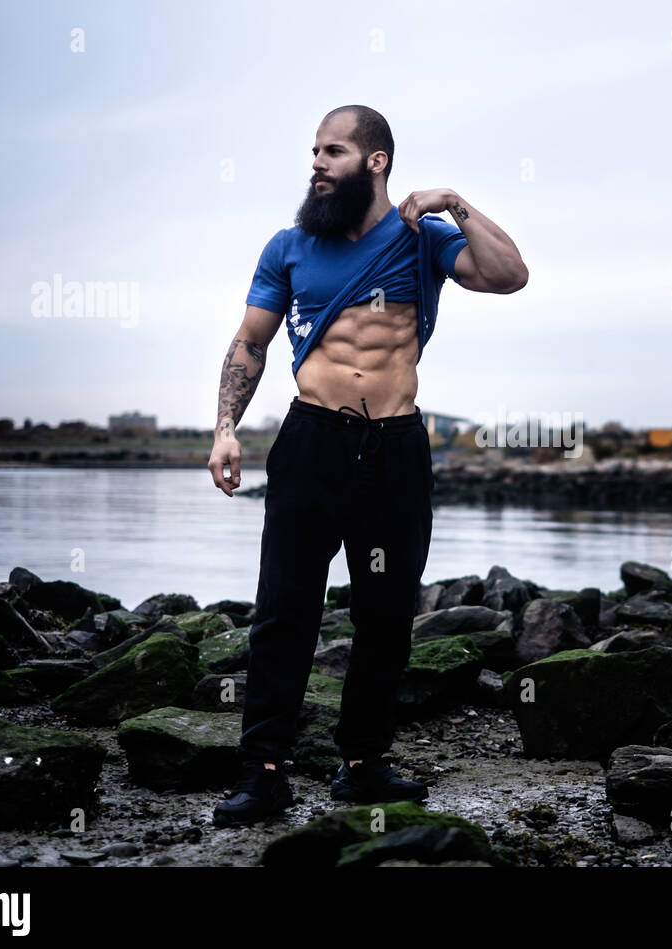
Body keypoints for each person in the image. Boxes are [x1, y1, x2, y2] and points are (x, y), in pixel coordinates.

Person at [208, 105, 528, 826]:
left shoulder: (422, 240)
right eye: (314, 153)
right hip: (311, 442)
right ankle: (262, 772)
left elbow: (510, 275)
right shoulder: (288, 247)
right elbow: (250, 346)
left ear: (376, 161)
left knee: (386, 614)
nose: (317, 164)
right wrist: (225, 429)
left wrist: (455, 202)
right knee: (284, 611)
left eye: (333, 151)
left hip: (395, 449)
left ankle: (364, 764)